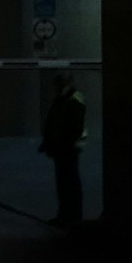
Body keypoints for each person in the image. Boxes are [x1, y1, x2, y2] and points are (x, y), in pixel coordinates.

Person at [41, 77, 91, 230]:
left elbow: (71, 126)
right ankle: (67, 216)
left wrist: (56, 143)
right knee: (66, 183)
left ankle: (71, 216)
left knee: (69, 183)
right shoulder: (67, 98)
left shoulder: (70, 99)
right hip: (64, 148)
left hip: (67, 148)